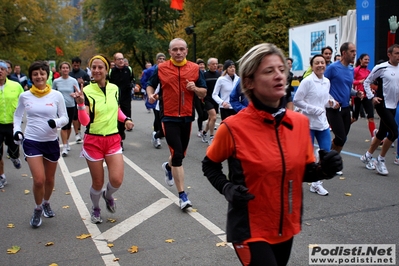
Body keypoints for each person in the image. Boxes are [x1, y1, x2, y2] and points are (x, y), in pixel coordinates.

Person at [202, 43, 342, 266]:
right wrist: (227, 188)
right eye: (269, 71)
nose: (279, 76)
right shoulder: (232, 127)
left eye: (281, 70)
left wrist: (324, 169)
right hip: (249, 227)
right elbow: (209, 165)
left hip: (286, 224)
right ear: (249, 82)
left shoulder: (298, 123)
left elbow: (301, 171)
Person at [72, 55, 134, 223]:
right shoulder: (85, 91)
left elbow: (116, 110)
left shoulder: (114, 88)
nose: (97, 70)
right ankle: (96, 208)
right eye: (94, 67)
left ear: (107, 70)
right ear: (90, 70)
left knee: (117, 180)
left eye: (100, 67)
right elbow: (85, 122)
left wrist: (126, 119)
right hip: (94, 141)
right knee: (97, 182)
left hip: (113, 139)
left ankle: (108, 196)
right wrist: (79, 104)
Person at [146, 38, 207, 210]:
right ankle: (182, 196)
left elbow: (203, 93)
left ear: (186, 51)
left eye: (181, 49)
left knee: (179, 154)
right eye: (175, 50)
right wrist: (150, 95)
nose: (178, 52)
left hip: (187, 117)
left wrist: (195, 89)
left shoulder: (195, 69)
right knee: (178, 155)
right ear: (170, 51)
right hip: (169, 116)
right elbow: (151, 85)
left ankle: (168, 166)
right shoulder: (161, 68)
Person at [13, 61, 68, 228]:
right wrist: (17, 130)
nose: (39, 76)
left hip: (51, 142)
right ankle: (37, 209)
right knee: (39, 180)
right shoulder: (25, 96)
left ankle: (46, 202)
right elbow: (17, 116)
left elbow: (65, 118)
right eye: (35, 74)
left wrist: (56, 122)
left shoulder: (56, 95)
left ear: (47, 76)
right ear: (31, 77)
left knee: (49, 179)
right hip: (32, 141)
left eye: (42, 73)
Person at [293, 54, 339, 196]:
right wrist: (313, 109)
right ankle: (304, 179)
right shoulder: (307, 81)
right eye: (317, 63)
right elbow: (297, 100)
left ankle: (317, 183)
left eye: (323, 63)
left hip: (322, 123)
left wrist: (331, 103)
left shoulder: (326, 81)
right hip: (308, 123)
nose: (320, 65)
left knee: (325, 153)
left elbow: (324, 100)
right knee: (309, 155)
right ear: (312, 66)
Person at [360, 44, 399, 176]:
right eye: (397, 53)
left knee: (382, 133)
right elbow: (366, 82)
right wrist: (372, 97)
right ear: (389, 55)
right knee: (394, 133)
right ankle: (380, 160)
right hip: (382, 104)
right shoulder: (381, 68)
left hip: (394, 105)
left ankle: (367, 155)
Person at [324, 42, 360, 168]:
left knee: (342, 139)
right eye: (352, 51)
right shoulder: (332, 68)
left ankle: (329, 159)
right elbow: (323, 85)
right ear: (344, 53)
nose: (355, 54)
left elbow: (347, 88)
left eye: (355, 51)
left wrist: (356, 93)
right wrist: (330, 100)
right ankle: (330, 161)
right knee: (341, 137)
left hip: (346, 108)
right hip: (334, 109)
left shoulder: (351, 69)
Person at [0, 60, 24, 188]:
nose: (0, 71)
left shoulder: (15, 86)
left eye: (2, 69)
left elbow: (25, 101)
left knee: (13, 150)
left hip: (12, 123)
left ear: (7, 71)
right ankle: (1, 176)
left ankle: (15, 158)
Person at [52, 62, 79, 157]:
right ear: (60, 70)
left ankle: (66, 141)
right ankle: (64, 147)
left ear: (69, 69)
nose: (65, 69)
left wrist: (75, 95)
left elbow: (78, 92)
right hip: (61, 107)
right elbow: (52, 92)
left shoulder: (73, 81)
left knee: (68, 126)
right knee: (63, 126)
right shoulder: (56, 81)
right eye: (63, 68)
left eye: (67, 68)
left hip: (71, 105)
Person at [109, 52, 135, 150]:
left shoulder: (128, 69)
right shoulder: (111, 72)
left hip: (126, 98)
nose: (121, 61)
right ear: (115, 61)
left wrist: (134, 86)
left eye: (122, 59)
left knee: (127, 118)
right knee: (117, 120)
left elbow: (133, 80)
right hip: (114, 99)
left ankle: (122, 133)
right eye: (119, 59)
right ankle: (119, 141)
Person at [141, 53, 166, 149]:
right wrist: (149, 92)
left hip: (164, 98)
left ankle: (159, 133)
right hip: (155, 97)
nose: (162, 60)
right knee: (158, 116)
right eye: (160, 59)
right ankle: (156, 135)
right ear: (156, 60)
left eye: (163, 59)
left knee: (164, 119)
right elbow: (146, 81)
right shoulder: (150, 70)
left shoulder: (167, 69)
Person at [351, 54, 376, 138]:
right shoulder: (356, 70)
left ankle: (374, 137)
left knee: (371, 117)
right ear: (361, 60)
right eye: (365, 59)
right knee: (354, 118)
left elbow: (370, 83)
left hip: (367, 97)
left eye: (368, 60)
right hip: (358, 96)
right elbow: (351, 81)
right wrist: (359, 81)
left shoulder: (369, 71)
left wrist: (371, 89)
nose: (367, 61)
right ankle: (343, 127)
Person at [69, 57, 90, 144]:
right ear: (72, 64)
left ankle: (79, 130)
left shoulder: (84, 73)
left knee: (80, 116)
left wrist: (83, 82)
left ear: (80, 65)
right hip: (72, 97)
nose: (76, 66)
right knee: (74, 117)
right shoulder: (69, 74)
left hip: (81, 98)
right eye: (74, 65)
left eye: (78, 65)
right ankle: (77, 133)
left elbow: (90, 83)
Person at [200, 58, 221, 145]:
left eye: (216, 64)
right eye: (213, 64)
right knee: (214, 117)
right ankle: (212, 137)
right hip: (207, 99)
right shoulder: (204, 75)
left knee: (210, 118)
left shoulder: (219, 75)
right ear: (208, 65)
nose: (215, 65)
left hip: (216, 99)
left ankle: (204, 133)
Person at [194, 58, 208, 139]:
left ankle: (205, 125)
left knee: (205, 115)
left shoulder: (206, 74)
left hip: (205, 96)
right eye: (200, 64)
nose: (202, 66)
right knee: (200, 113)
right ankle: (200, 129)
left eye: (203, 64)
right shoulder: (195, 74)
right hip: (197, 97)